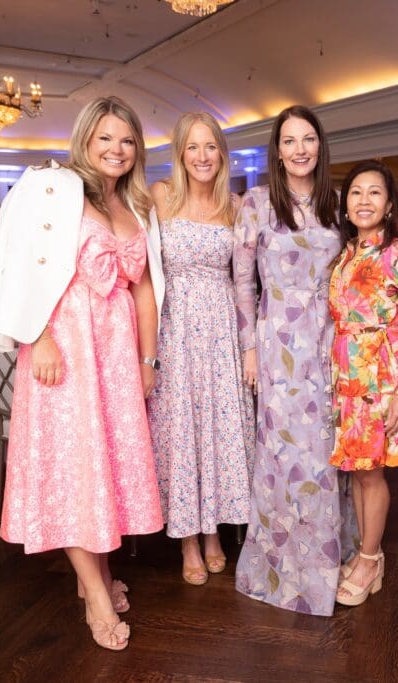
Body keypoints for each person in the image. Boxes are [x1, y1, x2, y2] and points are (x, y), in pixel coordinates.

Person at [0, 96, 165, 651]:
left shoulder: (135, 205)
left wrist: (147, 359)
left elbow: (146, 289)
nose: (116, 149)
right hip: (65, 345)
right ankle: (96, 596)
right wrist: (38, 338)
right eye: (105, 138)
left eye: (126, 140)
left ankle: (95, 578)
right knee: (73, 469)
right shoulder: (53, 190)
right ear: (85, 139)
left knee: (103, 465)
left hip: (117, 353)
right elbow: (17, 264)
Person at [233, 105, 356, 617]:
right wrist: (250, 349)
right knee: (282, 454)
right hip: (277, 346)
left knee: (326, 453)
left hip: (331, 343)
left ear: (320, 146)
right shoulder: (257, 203)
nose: (300, 149)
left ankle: (328, 560)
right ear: (277, 150)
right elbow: (243, 283)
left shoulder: (338, 204)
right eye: (289, 140)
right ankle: (280, 567)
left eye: (308, 139)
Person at [147, 112, 255, 586]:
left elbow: (248, 279)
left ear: (222, 154)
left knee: (219, 428)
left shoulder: (237, 206)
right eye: (192, 147)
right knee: (182, 429)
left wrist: (251, 344)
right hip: (173, 329)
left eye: (210, 146)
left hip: (222, 330)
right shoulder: (159, 196)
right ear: (180, 153)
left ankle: (214, 532)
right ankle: (188, 538)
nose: (202, 156)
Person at [330, 159, 398, 607]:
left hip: (380, 375)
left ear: (389, 204)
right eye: (356, 192)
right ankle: (368, 553)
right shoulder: (346, 253)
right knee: (357, 471)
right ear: (346, 204)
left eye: (374, 192)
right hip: (346, 376)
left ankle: (370, 559)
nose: (364, 200)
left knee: (371, 475)